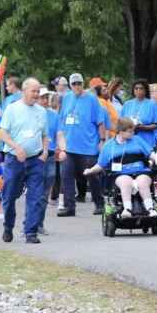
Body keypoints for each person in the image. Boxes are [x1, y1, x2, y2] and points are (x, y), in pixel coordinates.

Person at [0, 78, 50, 243]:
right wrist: (16, 147)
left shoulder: (41, 111)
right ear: (24, 91)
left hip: (35, 160)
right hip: (14, 160)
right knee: (9, 196)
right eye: (33, 91)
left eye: (38, 92)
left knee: (35, 197)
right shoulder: (12, 109)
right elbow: (2, 134)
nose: (36, 95)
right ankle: (8, 227)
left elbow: (44, 135)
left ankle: (30, 232)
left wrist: (45, 152)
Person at [57, 72, 109, 217]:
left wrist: (102, 140)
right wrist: (60, 142)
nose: (77, 86)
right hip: (69, 145)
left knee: (92, 176)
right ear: (70, 85)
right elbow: (62, 120)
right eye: (74, 84)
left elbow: (100, 121)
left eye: (79, 83)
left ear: (83, 84)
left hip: (88, 146)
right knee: (66, 175)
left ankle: (99, 204)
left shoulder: (92, 99)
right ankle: (69, 207)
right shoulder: (66, 98)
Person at [84, 117, 157, 219]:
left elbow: (150, 153)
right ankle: (127, 209)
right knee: (125, 182)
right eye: (130, 131)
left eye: (133, 131)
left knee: (143, 182)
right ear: (120, 132)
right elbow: (101, 164)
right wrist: (90, 170)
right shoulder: (109, 145)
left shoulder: (137, 140)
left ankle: (150, 209)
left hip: (140, 171)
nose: (133, 133)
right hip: (121, 173)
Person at [121, 79, 157, 152]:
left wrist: (142, 127)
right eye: (136, 88)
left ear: (145, 90)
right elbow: (121, 122)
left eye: (141, 88)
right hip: (129, 140)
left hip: (147, 140)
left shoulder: (152, 105)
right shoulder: (127, 104)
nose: (138, 90)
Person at [37, 86, 60, 235]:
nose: (45, 100)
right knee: (35, 192)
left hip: (51, 156)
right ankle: (31, 223)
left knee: (45, 193)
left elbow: (59, 133)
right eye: (42, 97)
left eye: (47, 98)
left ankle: (39, 223)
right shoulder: (31, 114)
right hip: (36, 156)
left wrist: (60, 147)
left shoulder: (54, 115)